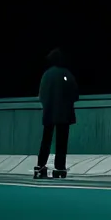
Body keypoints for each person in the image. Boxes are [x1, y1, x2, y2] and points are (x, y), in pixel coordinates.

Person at [34, 47, 79, 179]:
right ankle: (59, 167)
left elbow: (41, 95)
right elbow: (75, 94)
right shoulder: (66, 74)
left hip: (48, 113)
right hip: (64, 115)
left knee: (46, 141)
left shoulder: (46, 75)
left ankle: (40, 165)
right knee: (61, 142)